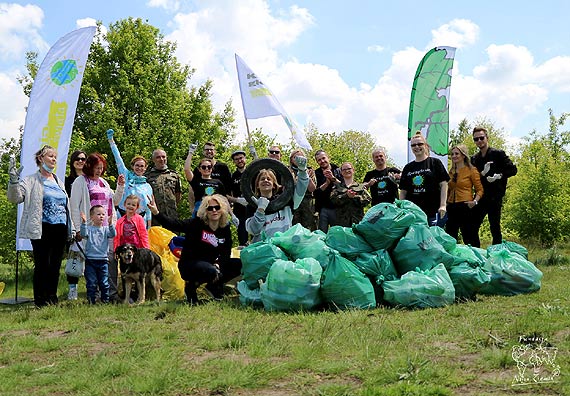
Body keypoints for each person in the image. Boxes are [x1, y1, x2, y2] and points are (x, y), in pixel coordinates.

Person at [7, 145, 74, 307]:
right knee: (43, 264)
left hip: (60, 228)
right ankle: (41, 300)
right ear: (40, 158)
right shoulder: (30, 180)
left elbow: (66, 205)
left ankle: (52, 297)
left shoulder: (58, 180)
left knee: (55, 265)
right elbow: (15, 198)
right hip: (41, 227)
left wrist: (70, 228)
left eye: (55, 157)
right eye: (50, 156)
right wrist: (13, 181)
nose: (54, 159)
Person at [147, 194, 242, 304]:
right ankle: (191, 286)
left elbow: (226, 252)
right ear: (205, 211)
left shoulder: (224, 228)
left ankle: (212, 286)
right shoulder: (196, 224)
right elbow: (173, 224)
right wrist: (156, 213)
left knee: (237, 264)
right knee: (210, 270)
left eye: (217, 207)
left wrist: (219, 264)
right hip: (189, 264)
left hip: (210, 264)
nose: (214, 210)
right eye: (210, 208)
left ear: (223, 209)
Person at [70, 153, 121, 302]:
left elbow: (115, 201)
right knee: (92, 262)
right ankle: (94, 295)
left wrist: (121, 186)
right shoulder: (81, 182)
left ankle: (110, 294)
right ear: (89, 167)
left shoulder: (103, 183)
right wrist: (78, 228)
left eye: (101, 168)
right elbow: (74, 206)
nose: (99, 171)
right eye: (96, 168)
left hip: (106, 228)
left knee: (109, 260)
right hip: (90, 229)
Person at [471, 126, 518, 246]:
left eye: (481, 138)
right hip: (481, 197)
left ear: (487, 138)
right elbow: (473, 179)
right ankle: (476, 252)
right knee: (472, 226)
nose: (479, 141)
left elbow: (513, 170)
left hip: (495, 197)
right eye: (476, 139)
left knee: (495, 226)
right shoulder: (475, 159)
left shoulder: (498, 154)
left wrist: (500, 175)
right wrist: (483, 174)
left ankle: (496, 254)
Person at [246, 155, 309, 243]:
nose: (265, 180)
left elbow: (301, 190)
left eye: (269, 179)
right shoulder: (252, 205)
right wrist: (260, 210)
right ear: (257, 185)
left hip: (284, 248)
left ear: (274, 185)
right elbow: (253, 230)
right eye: (262, 179)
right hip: (262, 250)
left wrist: (302, 171)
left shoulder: (286, 201)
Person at [106, 129, 154, 229]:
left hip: (140, 221)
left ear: (145, 168)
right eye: (137, 165)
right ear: (133, 166)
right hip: (122, 218)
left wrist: (149, 227)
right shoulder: (126, 176)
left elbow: (149, 208)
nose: (139, 168)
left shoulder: (148, 186)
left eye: (142, 166)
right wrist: (111, 141)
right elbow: (118, 159)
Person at [399, 131, 450, 225]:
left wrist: (443, 205)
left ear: (425, 145)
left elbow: (444, 185)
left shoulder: (435, 163)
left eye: (419, 144)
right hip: (413, 214)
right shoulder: (408, 168)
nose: (416, 147)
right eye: (413, 145)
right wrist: (400, 208)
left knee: (433, 238)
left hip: (432, 212)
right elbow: (403, 191)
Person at [446, 144, 484, 246]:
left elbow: (479, 190)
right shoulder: (450, 172)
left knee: (470, 236)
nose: (454, 156)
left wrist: (474, 202)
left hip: (465, 206)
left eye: (457, 154)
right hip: (451, 206)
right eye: (452, 154)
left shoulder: (471, 170)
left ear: (463, 155)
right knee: (450, 236)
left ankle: (477, 258)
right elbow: (448, 189)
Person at [80, 205, 116, 304]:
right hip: (90, 260)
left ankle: (105, 300)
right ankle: (91, 300)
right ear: (92, 217)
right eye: (98, 214)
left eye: (103, 214)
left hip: (103, 260)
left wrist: (110, 224)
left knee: (104, 282)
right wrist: (83, 223)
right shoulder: (89, 229)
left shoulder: (105, 229)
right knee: (91, 282)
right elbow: (83, 234)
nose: (101, 216)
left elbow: (113, 234)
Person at [145, 149, 182, 227]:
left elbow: (178, 194)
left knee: (173, 238)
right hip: (155, 217)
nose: (161, 159)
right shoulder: (147, 177)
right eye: (158, 157)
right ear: (153, 159)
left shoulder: (174, 175)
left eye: (163, 157)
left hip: (171, 215)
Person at [331, 162, 371, 227]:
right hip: (342, 223)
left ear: (353, 170)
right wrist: (346, 196)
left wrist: (354, 197)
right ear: (341, 172)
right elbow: (333, 200)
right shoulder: (337, 187)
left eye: (349, 168)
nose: (347, 171)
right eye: (344, 169)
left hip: (358, 222)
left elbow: (367, 200)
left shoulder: (360, 187)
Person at [313, 150, 342, 233]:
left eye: (323, 158)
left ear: (328, 157)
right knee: (321, 234)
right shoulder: (316, 173)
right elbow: (315, 193)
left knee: (337, 234)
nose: (322, 161)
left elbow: (344, 187)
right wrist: (326, 183)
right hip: (322, 209)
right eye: (319, 160)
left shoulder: (338, 170)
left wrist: (333, 179)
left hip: (337, 208)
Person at [289, 149, 317, 230]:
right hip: (293, 202)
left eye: (301, 157)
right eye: (295, 157)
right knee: (294, 228)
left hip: (307, 203)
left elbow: (312, 189)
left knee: (309, 228)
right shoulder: (288, 170)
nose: (298, 159)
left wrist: (306, 176)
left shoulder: (310, 171)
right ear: (291, 159)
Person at [227, 150, 249, 246]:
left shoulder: (253, 172)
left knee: (258, 237)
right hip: (239, 211)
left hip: (254, 209)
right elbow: (225, 195)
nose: (239, 161)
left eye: (241, 158)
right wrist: (238, 200)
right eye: (236, 159)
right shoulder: (232, 177)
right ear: (234, 162)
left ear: (245, 159)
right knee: (242, 239)